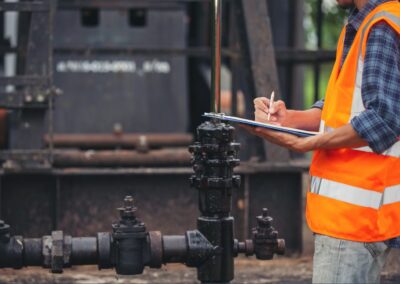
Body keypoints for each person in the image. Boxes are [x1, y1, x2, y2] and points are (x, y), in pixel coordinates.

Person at [242, 0, 400, 283]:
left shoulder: (380, 27)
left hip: (353, 218)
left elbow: (384, 118)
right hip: (360, 214)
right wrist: (288, 118)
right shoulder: (365, 23)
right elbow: (344, 107)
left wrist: (308, 144)